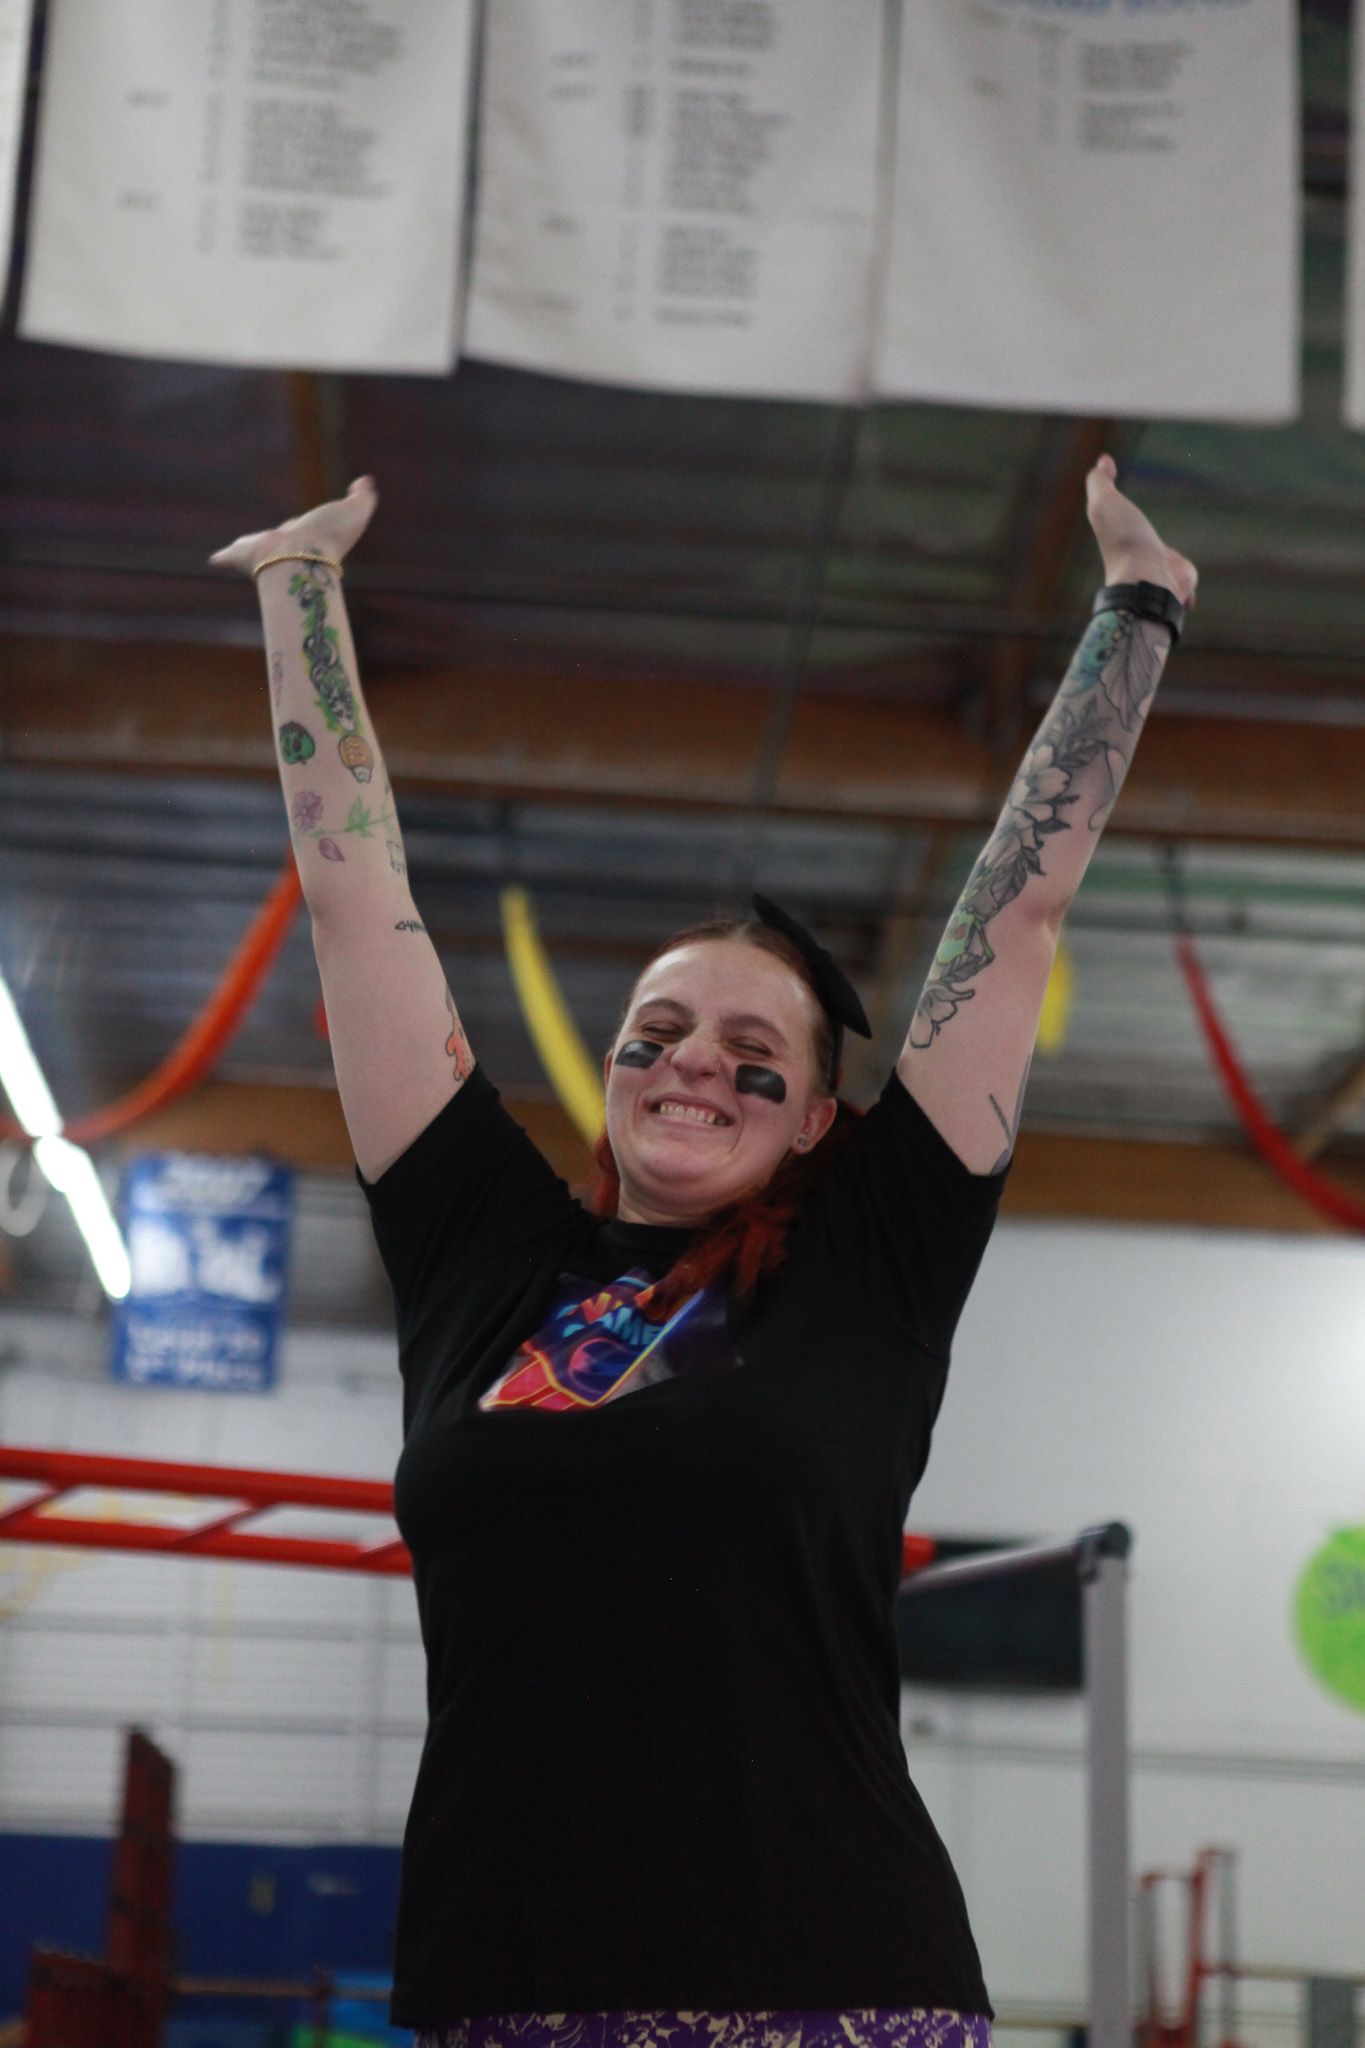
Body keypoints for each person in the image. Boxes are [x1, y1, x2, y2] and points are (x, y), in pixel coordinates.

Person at [210, 458, 1195, 2048]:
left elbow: (1011, 921)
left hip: (832, 1983)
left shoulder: (871, 1262)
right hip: (507, 1988)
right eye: (653, 1031)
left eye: (750, 1051)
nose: (687, 1063)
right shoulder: (484, 1250)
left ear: (816, 1116)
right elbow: (350, 903)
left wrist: (1135, 612)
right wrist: (297, 593)